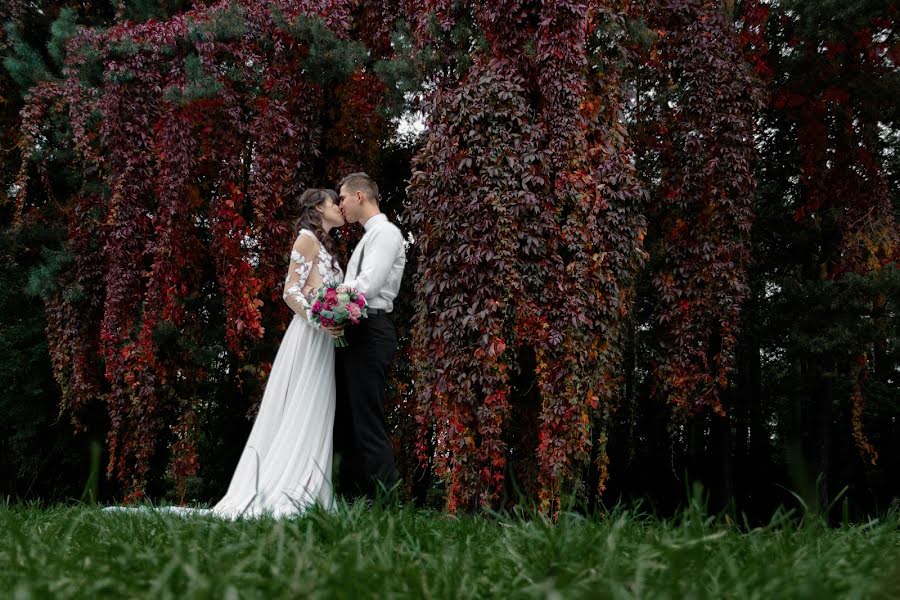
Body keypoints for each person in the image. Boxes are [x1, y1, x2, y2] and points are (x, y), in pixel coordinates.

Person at [211, 188, 345, 518]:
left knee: (317, 408)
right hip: (309, 335)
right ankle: (286, 488)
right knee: (303, 404)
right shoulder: (306, 240)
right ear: (318, 207)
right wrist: (319, 318)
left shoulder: (328, 246)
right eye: (333, 202)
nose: (340, 208)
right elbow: (290, 293)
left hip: (325, 340)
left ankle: (311, 487)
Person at [330, 172, 406, 501]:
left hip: (372, 329)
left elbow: (369, 285)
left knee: (368, 419)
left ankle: (386, 502)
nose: (340, 205)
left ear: (360, 197)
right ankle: (351, 498)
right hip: (358, 328)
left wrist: (330, 300)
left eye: (343, 198)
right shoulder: (366, 238)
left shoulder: (386, 234)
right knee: (349, 420)